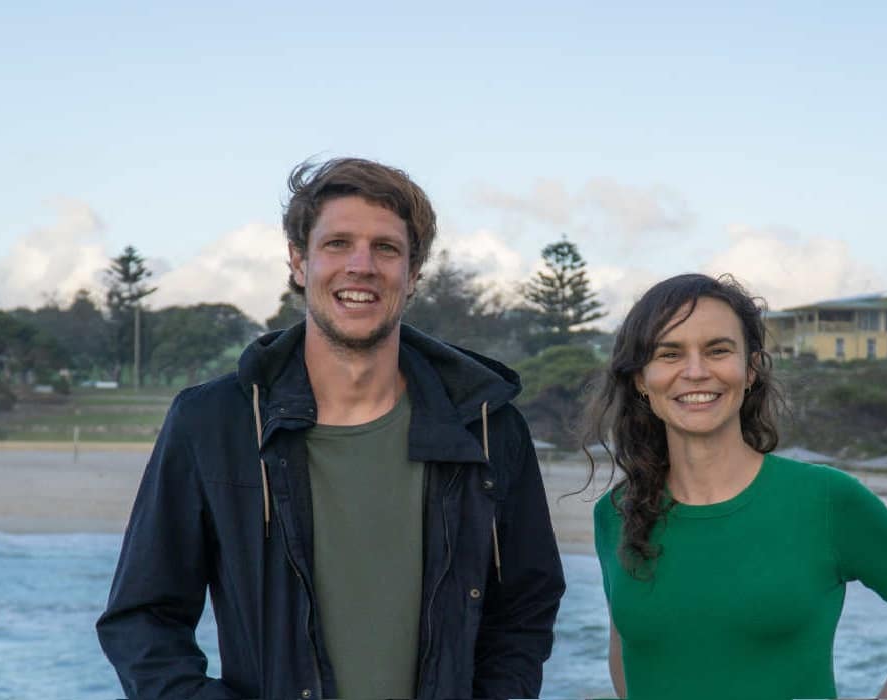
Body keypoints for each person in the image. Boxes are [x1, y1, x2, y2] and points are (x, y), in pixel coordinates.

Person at [97, 157, 565, 700]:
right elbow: (142, 619)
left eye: (386, 248)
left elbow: (526, 610)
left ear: (412, 274)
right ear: (299, 261)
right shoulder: (213, 422)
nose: (361, 266)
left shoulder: (487, 426)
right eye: (337, 243)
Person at [583, 273, 887, 700]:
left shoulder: (826, 501)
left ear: (750, 370)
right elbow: (628, 653)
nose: (695, 372)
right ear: (641, 379)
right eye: (669, 353)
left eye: (718, 350)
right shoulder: (615, 513)